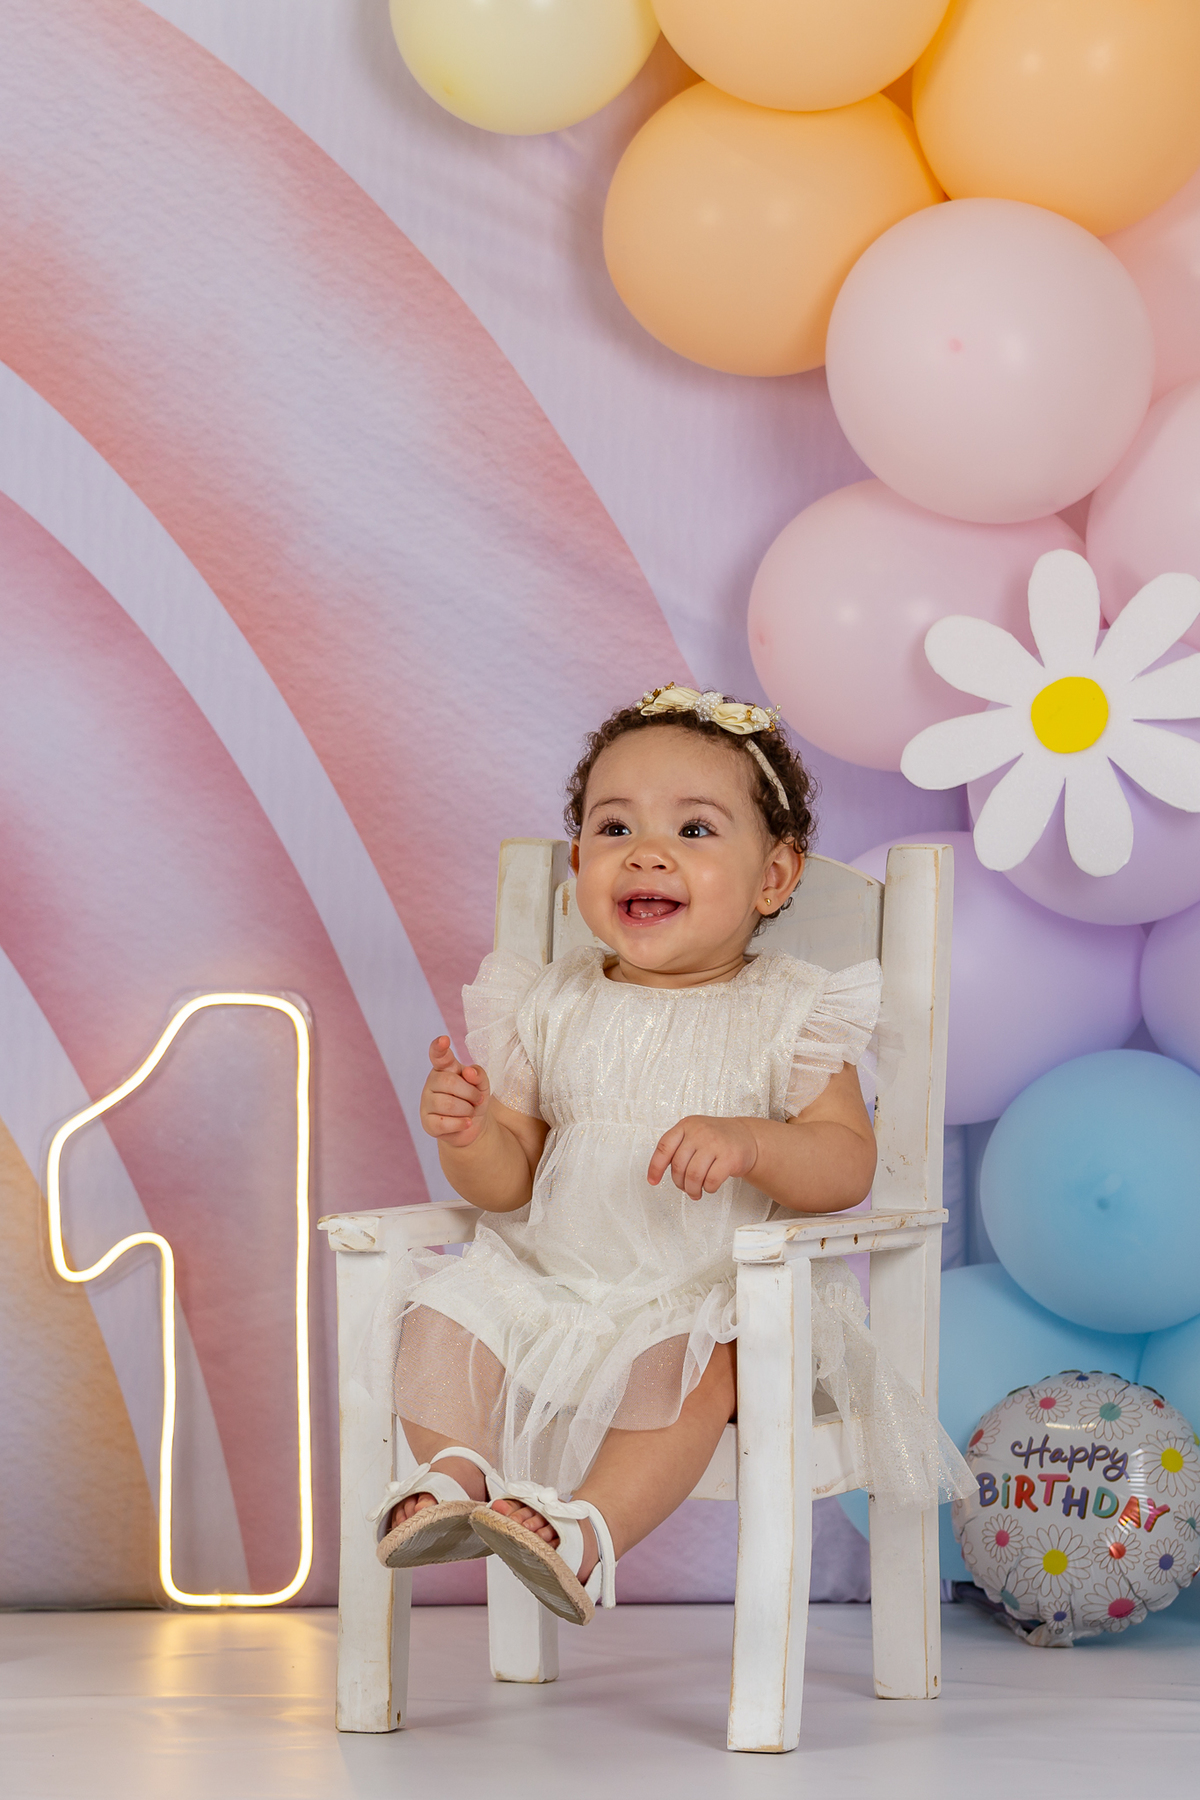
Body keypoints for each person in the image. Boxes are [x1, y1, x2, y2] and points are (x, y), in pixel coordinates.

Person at [363, 684, 970, 1625]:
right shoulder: (549, 1001)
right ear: (578, 867)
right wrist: (473, 1134)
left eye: (694, 830)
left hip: (703, 1299)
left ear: (773, 878)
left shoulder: (791, 1009)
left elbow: (847, 1163)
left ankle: (581, 1534)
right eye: (615, 828)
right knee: (442, 1316)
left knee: (693, 1368)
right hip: (549, 1288)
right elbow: (508, 1185)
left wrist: (753, 1141)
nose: (647, 852)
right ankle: (454, 1480)